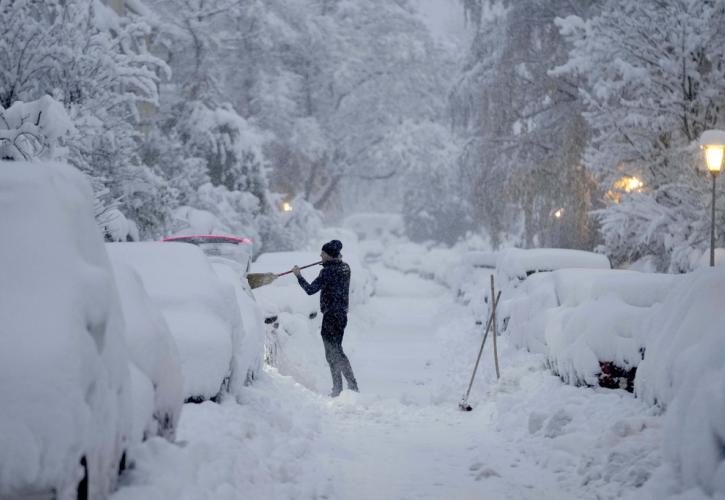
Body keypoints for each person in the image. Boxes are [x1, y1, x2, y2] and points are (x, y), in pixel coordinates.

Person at [293, 240, 358, 397]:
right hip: (341, 315)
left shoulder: (328, 272)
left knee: (332, 353)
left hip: (330, 317)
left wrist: (298, 276)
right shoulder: (345, 268)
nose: (320, 256)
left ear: (329, 255)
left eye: (322, 254)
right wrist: (325, 264)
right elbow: (333, 271)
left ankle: (339, 388)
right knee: (337, 350)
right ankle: (350, 385)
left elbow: (310, 290)